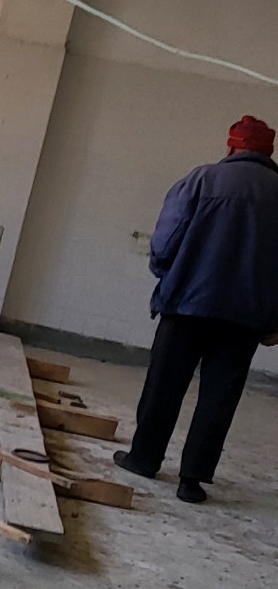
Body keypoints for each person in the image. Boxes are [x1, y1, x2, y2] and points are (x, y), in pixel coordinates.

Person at [115, 114, 278, 503]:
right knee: (220, 396)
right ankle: (192, 480)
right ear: (268, 151)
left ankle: (144, 458)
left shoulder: (202, 179)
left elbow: (167, 238)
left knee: (164, 384)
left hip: (187, 304)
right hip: (245, 316)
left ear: (232, 146)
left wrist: (166, 272)